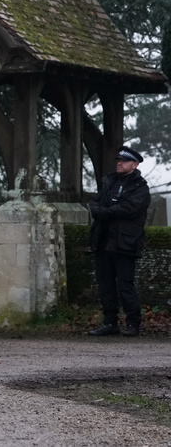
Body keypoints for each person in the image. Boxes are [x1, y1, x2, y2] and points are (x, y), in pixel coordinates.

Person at [87, 145, 149, 338]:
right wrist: (104, 210)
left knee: (125, 284)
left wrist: (104, 211)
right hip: (104, 241)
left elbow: (129, 208)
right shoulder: (109, 181)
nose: (119, 163)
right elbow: (96, 203)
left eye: (124, 161)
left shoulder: (140, 186)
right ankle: (110, 323)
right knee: (105, 284)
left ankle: (133, 323)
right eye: (118, 160)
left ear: (135, 164)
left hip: (125, 242)